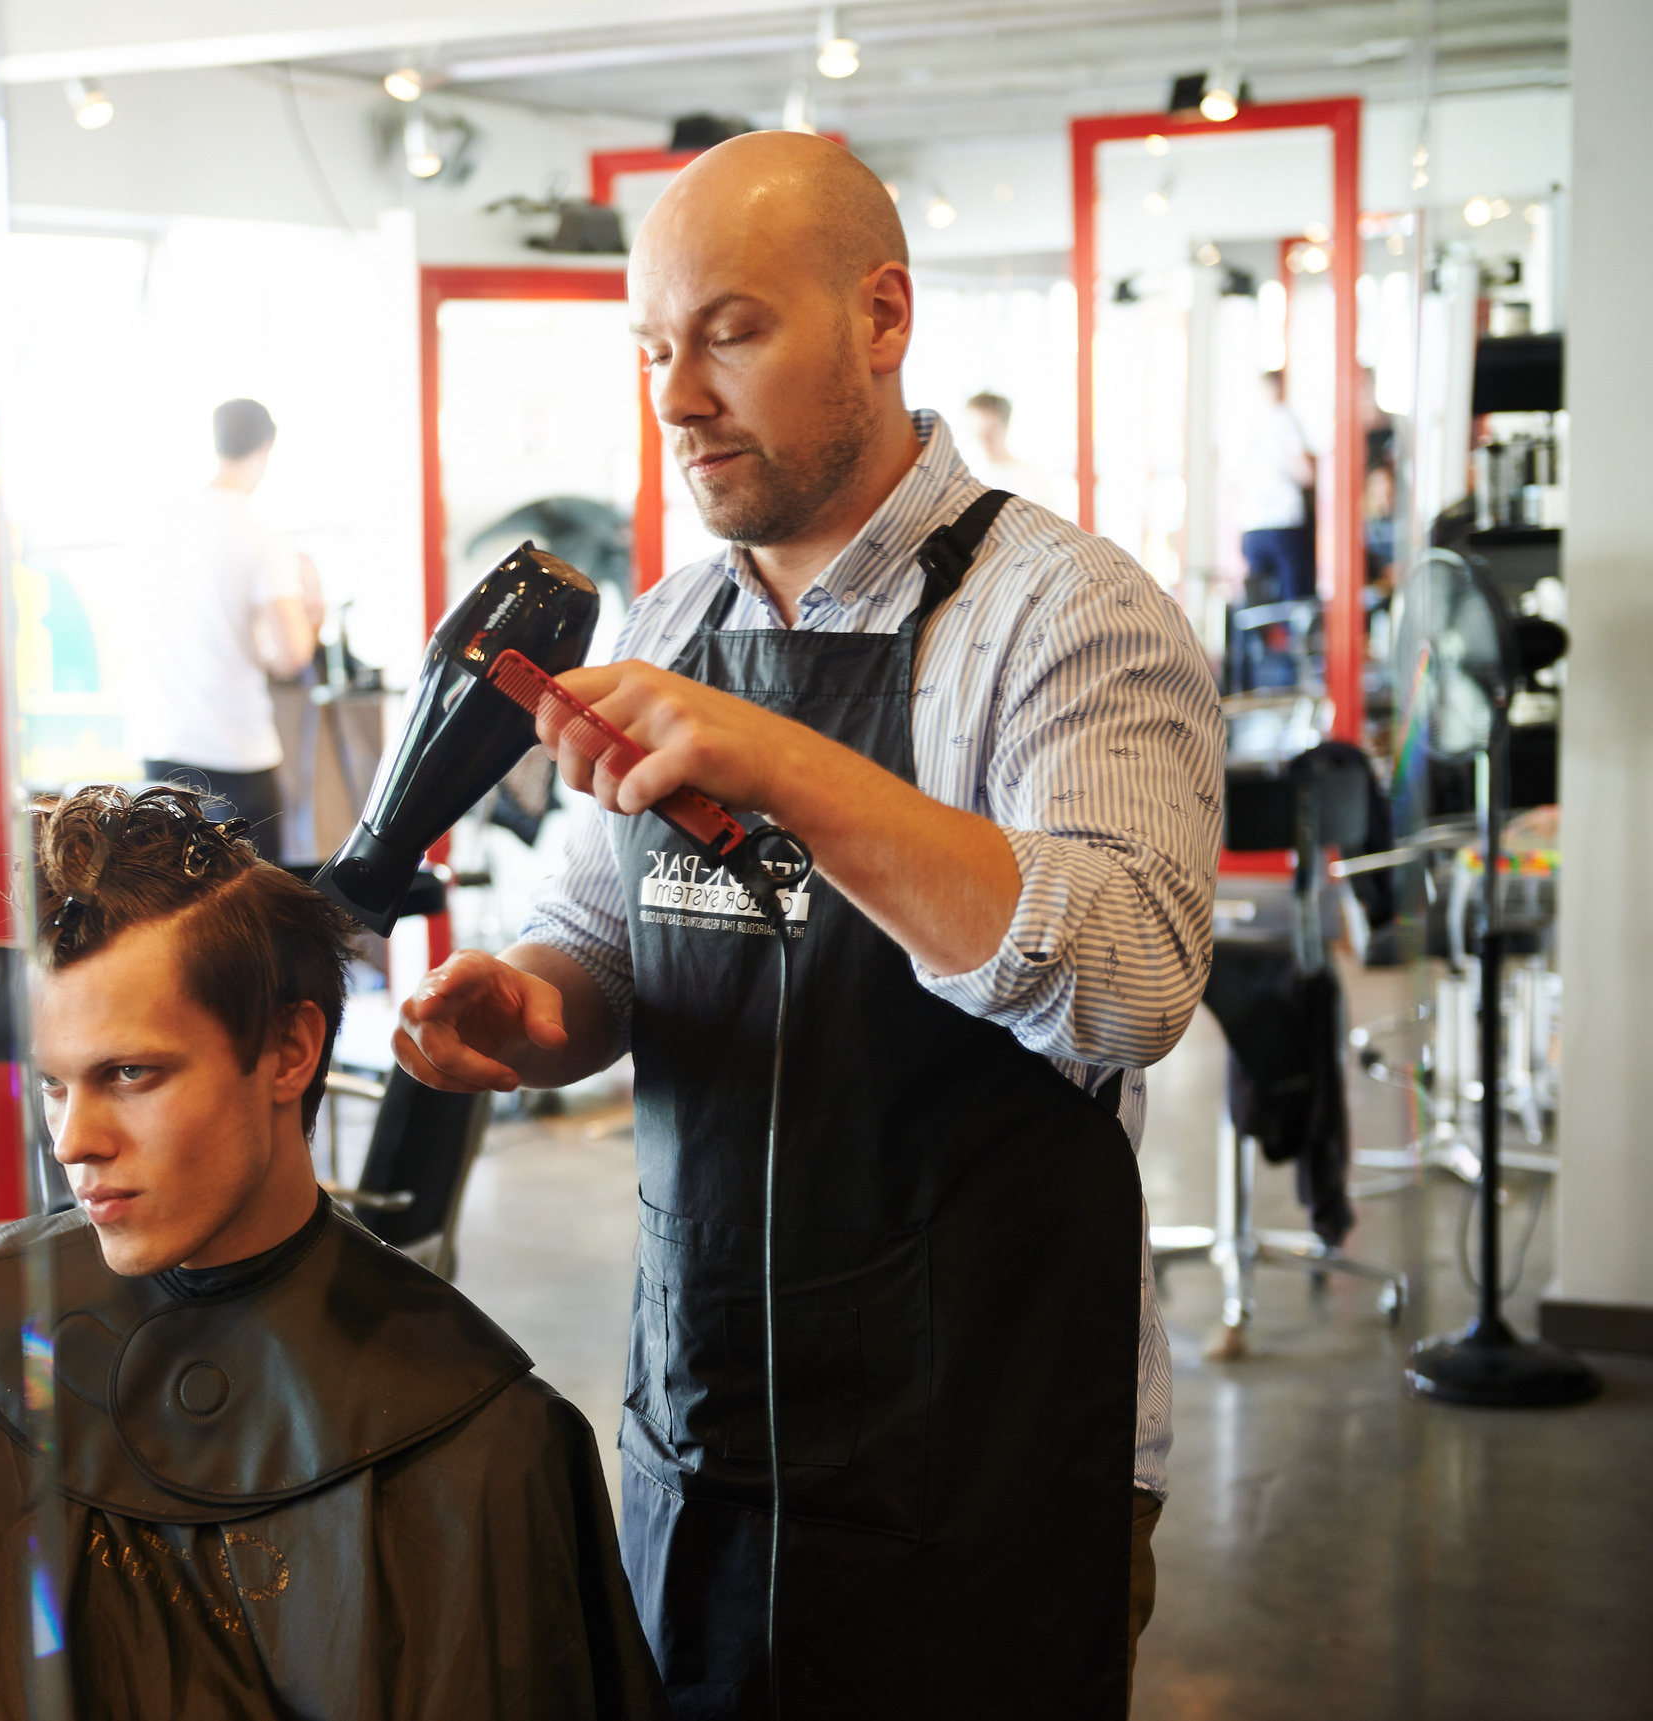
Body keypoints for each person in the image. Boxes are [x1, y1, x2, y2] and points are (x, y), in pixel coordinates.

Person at [397, 132, 1223, 1720]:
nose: (679, 397)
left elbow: (1132, 978)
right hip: (705, 1431)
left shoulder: (1070, 615)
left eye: (731, 333)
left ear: (882, 316)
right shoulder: (671, 623)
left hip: (984, 1462)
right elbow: (599, 942)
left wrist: (780, 759)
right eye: (654, 348)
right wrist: (526, 1008)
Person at [0, 785, 667, 1721]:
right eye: (54, 1084)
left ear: (288, 1050)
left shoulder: (481, 1440)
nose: (73, 1141)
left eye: (131, 1074)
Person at [127, 399, 325, 858]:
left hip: (160, 745)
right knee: (249, 896)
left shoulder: (159, 522)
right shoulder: (260, 535)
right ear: (266, 446)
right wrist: (314, 611)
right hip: (234, 753)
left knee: (172, 891)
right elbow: (292, 655)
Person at [1240, 369, 1317, 603]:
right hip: (1283, 522)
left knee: (1259, 605)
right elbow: (1305, 472)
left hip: (1251, 526)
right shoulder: (1283, 418)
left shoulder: (1246, 422)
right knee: (1293, 601)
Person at [965, 388, 1077, 518]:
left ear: (1005, 426)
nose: (984, 439)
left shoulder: (1034, 479)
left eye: (991, 430)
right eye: (978, 432)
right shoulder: (963, 480)